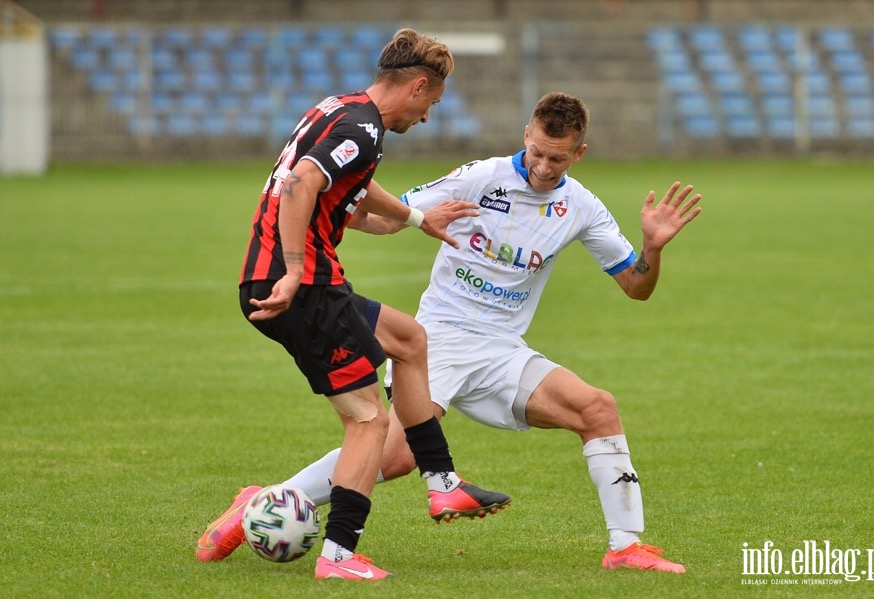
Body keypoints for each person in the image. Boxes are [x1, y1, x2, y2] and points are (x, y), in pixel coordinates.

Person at [282, 92, 702, 573]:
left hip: (502, 352)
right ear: (526, 133)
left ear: (579, 153)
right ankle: (276, 499)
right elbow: (378, 216)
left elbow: (636, 286)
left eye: (558, 158)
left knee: (597, 407)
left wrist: (653, 247)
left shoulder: (582, 206)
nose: (544, 166)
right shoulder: (482, 177)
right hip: (438, 339)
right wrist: (368, 214)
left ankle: (625, 547)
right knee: (396, 456)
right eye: (538, 151)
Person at [195, 28, 510, 581]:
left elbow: (354, 191)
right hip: (304, 288)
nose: (428, 117)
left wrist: (415, 218)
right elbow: (300, 186)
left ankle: (443, 485)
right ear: (416, 86)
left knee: (410, 340)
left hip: (305, 284)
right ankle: (339, 555)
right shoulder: (362, 128)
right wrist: (295, 271)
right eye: (431, 103)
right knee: (368, 421)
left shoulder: (340, 108)